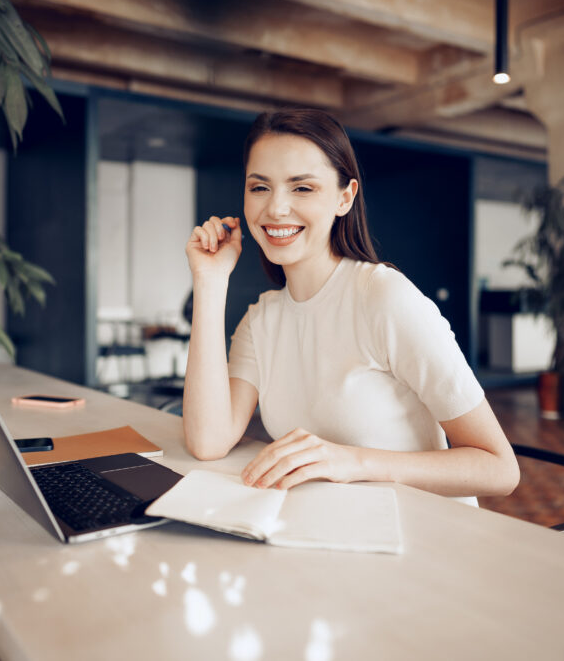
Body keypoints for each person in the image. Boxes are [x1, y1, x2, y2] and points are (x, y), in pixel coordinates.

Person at [182, 109, 519, 502]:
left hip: (424, 537)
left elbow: (499, 468)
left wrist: (351, 463)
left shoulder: (384, 297)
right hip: (333, 531)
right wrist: (209, 281)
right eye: (260, 188)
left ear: (345, 197)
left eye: (302, 188)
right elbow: (208, 441)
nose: (275, 208)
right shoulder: (261, 320)